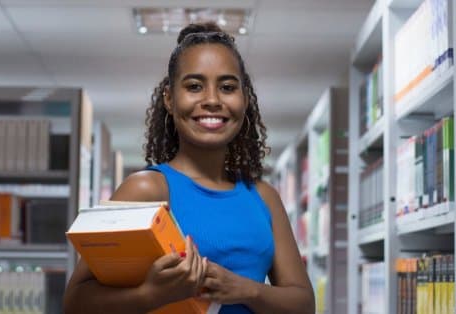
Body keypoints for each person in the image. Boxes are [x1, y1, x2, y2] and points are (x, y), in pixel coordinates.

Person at [63, 22, 315, 314]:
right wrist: (150, 294)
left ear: (244, 99)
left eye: (227, 87)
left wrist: (246, 290)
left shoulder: (264, 197)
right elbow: (74, 303)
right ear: (170, 99)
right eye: (194, 86)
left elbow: (304, 305)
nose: (212, 100)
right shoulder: (147, 189)